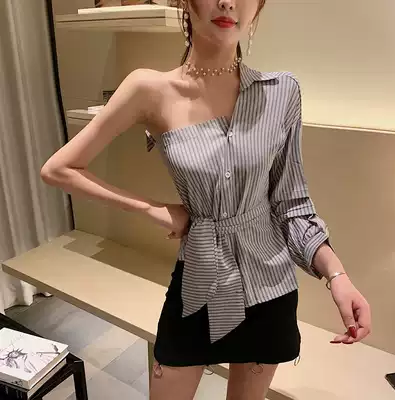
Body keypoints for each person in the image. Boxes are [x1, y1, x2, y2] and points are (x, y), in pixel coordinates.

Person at [41, 0, 372, 399]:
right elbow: (59, 168)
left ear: (258, 8)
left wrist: (337, 276)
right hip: (198, 284)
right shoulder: (150, 89)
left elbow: (291, 205)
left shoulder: (281, 92)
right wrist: (152, 209)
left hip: (269, 288)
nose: (228, 2)